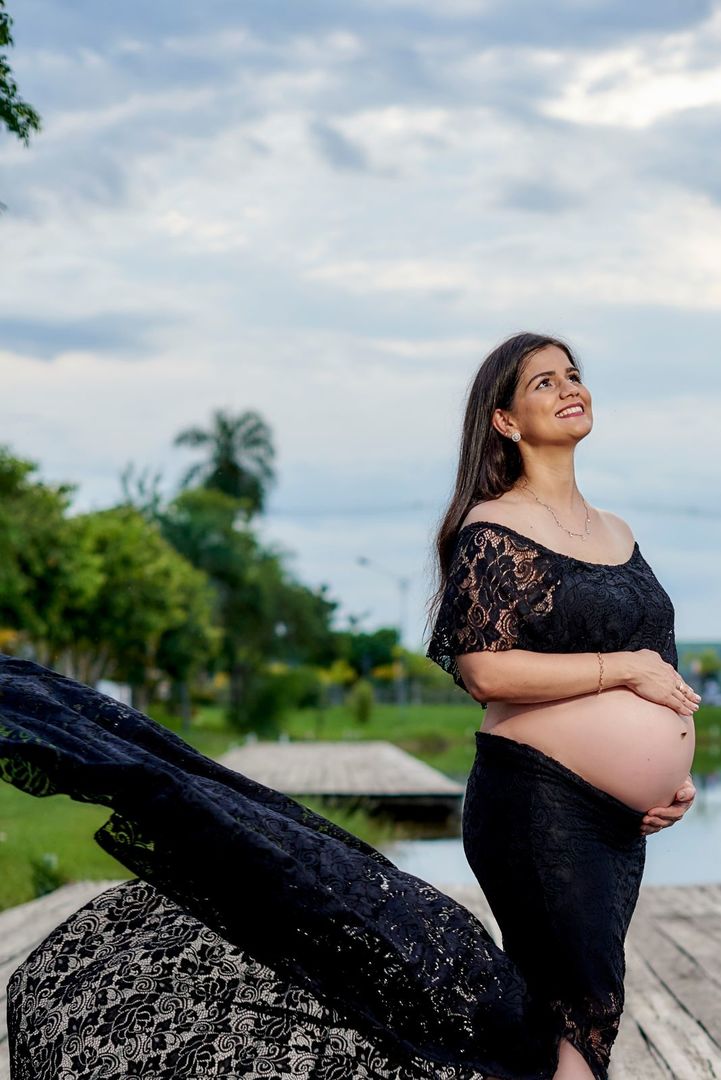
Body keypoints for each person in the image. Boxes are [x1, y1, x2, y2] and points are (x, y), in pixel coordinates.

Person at [0, 331, 695, 1080]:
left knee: (572, 1017)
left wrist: (670, 779)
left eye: (574, 375)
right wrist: (620, 669)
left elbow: (659, 663)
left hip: (618, 823)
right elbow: (484, 670)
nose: (569, 388)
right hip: (539, 807)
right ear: (504, 422)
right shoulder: (494, 529)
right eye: (542, 383)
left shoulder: (618, 532)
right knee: (574, 1020)